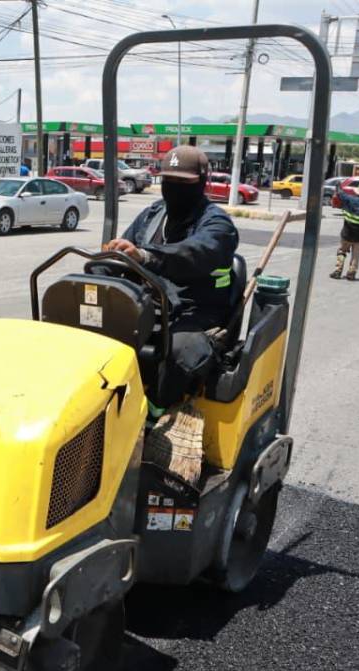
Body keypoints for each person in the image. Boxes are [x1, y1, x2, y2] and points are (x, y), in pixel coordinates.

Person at [102, 145, 240, 483]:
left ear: (202, 182)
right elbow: (126, 253)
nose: (174, 189)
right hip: (149, 306)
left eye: (184, 182)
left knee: (175, 352)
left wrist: (148, 256)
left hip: (196, 315)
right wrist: (105, 270)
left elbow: (197, 253)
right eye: (168, 181)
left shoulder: (217, 224)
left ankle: (153, 419)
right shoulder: (152, 216)